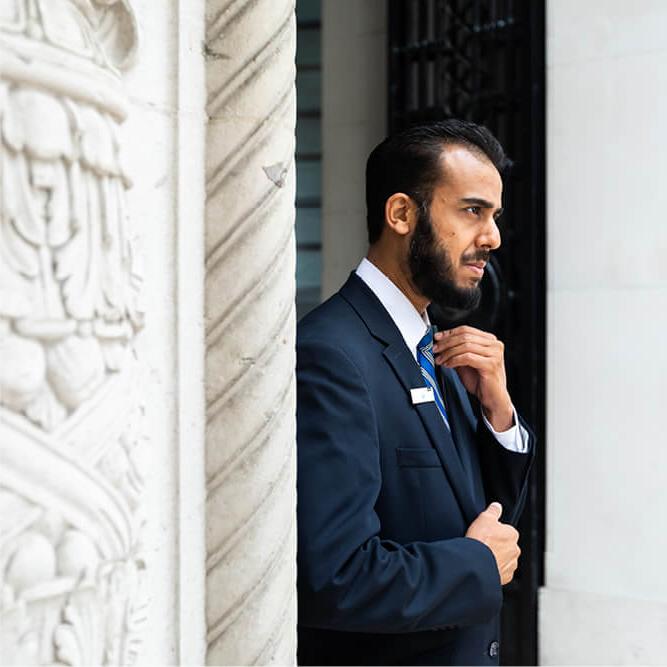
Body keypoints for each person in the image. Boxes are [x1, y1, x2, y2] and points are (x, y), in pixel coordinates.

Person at [296, 119, 535, 666]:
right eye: (473, 210)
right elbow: (333, 577)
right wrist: (476, 566)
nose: (493, 237)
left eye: (494, 216)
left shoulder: (435, 349)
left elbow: (486, 519)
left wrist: (500, 415)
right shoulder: (332, 355)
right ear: (401, 214)